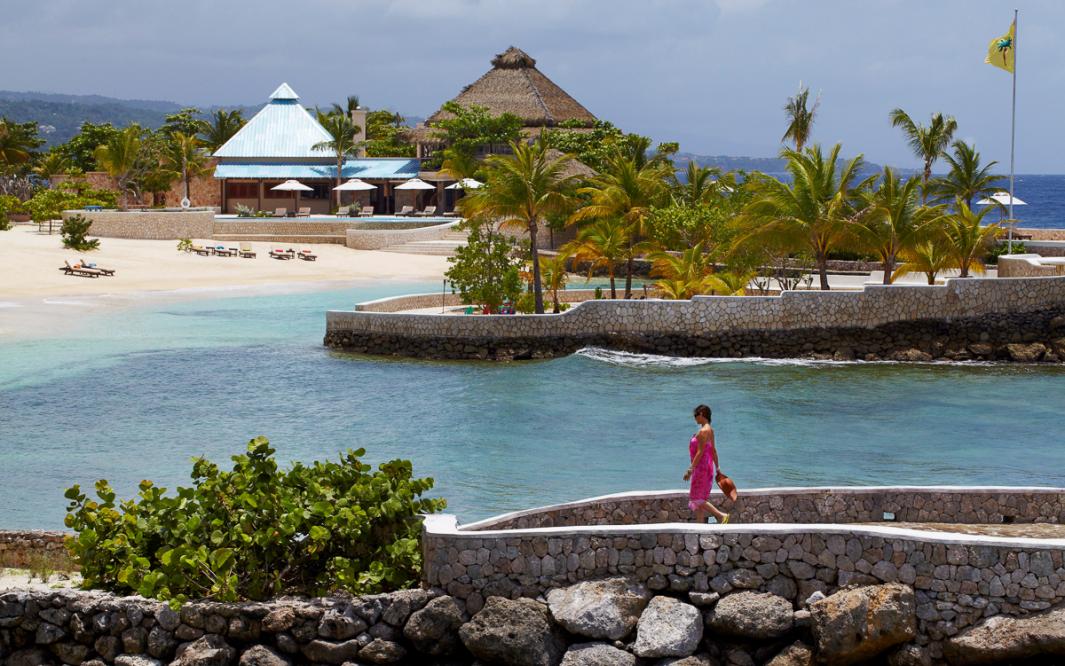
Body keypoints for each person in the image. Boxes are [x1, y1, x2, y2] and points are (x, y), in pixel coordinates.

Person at [683, 404, 730, 524]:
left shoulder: (704, 431)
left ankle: (720, 516)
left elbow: (700, 452)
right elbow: (713, 450)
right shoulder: (710, 430)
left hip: (700, 468)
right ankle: (700, 527)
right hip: (707, 468)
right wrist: (718, 468)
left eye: (696, 415)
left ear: (702, 414)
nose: (695, 418)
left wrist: (690, 470)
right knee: (700, 498)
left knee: (696, 498)